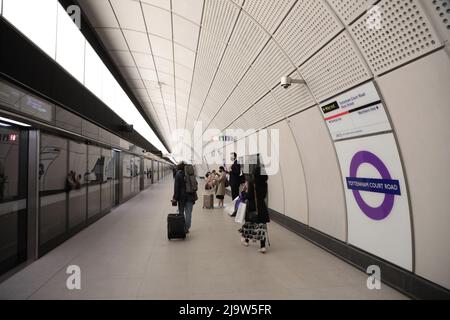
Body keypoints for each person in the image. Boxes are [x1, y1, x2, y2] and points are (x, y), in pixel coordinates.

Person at [239, 163, 270, 254]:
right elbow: (263, 196)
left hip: (253, 206)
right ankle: (263, 246)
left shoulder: (253, 183)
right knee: (261, 226)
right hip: (262, 206)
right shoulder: (265, 184)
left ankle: (246, 241)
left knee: (250, 224)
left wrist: (243, 193)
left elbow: (249, 196)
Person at [172, 162, 197, 234]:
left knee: (181, 213)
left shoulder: (178, 174)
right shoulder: (190, 173)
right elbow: (194, 184)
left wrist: (175, 198)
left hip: (181, 198)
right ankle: (186, 228)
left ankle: (182, 227)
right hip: (190, 196)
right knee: (188, 214)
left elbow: (176, 187)